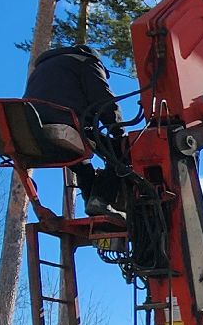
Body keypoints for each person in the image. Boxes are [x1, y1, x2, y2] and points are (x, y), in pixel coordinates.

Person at [24, 45, 127, 217]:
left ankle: (94, 203)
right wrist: (119, 131)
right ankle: (100, 199)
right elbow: (103, 99)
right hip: (66, 124)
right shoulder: (88, 62)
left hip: (31, 129)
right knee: (123, 149)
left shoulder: (41, 67)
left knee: (81, 164)